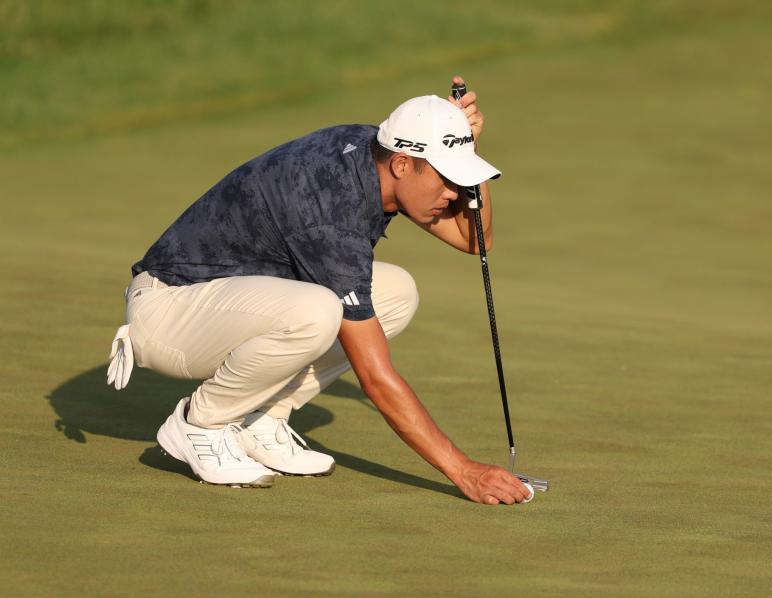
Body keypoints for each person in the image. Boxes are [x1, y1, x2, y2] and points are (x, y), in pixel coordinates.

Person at [106, 76, 532, 505]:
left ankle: (263, 418)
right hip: (169, 310)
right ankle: (199, 423)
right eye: (447, 178)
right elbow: (375, 379)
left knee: (396, 292)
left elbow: (475, 239)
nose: (454, 193)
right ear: (403, 164)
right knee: (318, 312)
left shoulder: (373, 151)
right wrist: (463, 470)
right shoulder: (331, 210)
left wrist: (464, 150)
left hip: (231, 298)